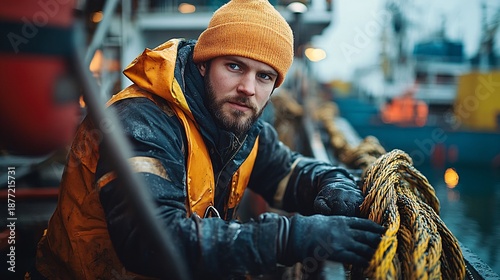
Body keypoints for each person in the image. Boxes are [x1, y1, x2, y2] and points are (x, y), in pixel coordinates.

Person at [35, 0, 385, 279]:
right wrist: (286, 239)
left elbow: (288, 173)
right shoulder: (140, 122)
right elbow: (153, 242)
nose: (248, 88)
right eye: (234, 66)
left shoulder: (241, 128)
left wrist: (335, 185)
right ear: (203, 65)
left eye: (264, 76)